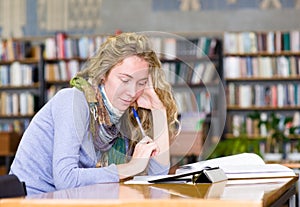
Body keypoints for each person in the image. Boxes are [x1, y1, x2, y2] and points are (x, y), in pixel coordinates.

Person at [9, 32, 179, 195]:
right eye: (125, 80)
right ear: (103, 74)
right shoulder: (72, 100)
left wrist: (158, 110)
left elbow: (158, 177)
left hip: (73, 199)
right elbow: (66, 179)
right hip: (32, 200)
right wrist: (131, 167)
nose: (132, 91)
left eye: (141, 83)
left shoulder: (124, 116)